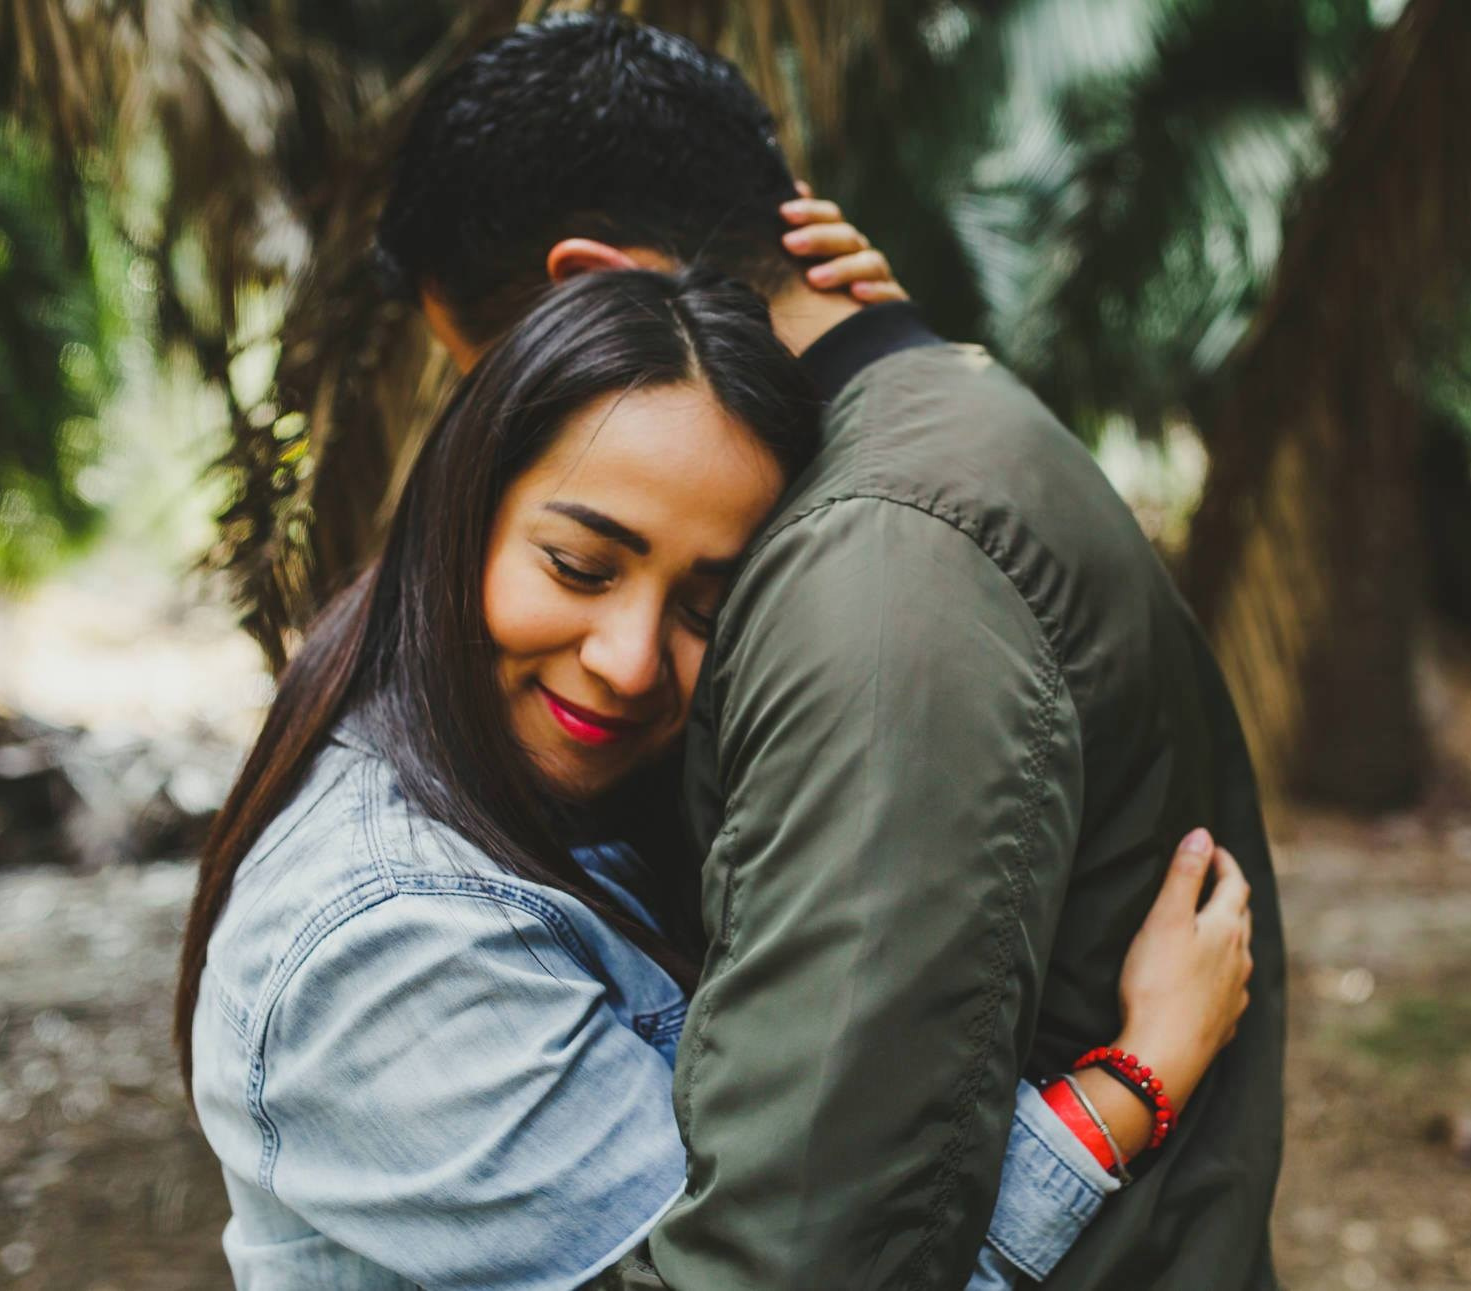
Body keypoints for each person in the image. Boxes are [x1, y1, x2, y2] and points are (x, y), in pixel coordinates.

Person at [373, 15, 1287, 1290]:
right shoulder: (924, 430)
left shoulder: (876, 560)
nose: (493, 437)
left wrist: (1122, 1092)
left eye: (492, 377)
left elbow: (794, 1259)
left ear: (596, 290)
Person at [175, 269, 1255, 1290]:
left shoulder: (561, 804)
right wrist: (1125, 1086)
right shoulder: (388, 943)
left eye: (708, 609)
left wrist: (873, 337)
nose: (629, 658)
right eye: (580, 566)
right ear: (463, 519)